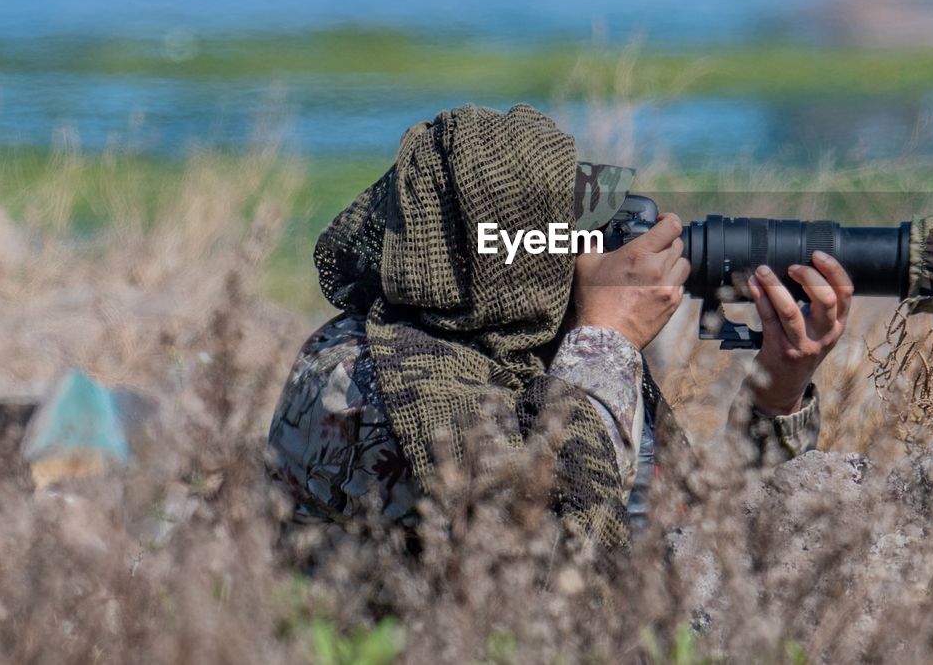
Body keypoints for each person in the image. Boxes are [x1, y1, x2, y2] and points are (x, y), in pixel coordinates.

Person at [265, 104, 851, 541]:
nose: (587, 256)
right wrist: (606, 340)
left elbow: (686, 537)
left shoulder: (524, 354)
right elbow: (540, 546)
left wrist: (776, 392)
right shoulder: (360, 378)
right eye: (568, 235)